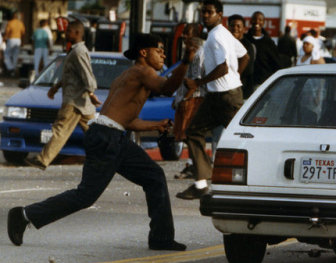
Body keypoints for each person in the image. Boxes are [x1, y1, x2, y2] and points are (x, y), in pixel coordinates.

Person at [7, 32, 198, 250]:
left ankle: (161, 238)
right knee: (86, 196)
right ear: (144, 53)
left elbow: (125, 119)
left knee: (154, 177)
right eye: (159, 50)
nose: (163, 55)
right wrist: (185, 61)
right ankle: (24, 215)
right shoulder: (143, 71)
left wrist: (154, 126)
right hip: (108, 139)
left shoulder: (128, 76)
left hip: (112, 135)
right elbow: (168, 88)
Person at [175, 0, 249, 200]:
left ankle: (252, 183)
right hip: (221, 95)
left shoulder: (216, 37)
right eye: (203, 12)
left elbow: (223, 67)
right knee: (195, 130)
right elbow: (245, 56)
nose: (205, 15)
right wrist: (236, 78)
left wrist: (198, 83)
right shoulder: (223, 33)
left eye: (209, 12)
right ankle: (200, 183)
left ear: (219, 15)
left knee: (244, 139)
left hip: (225, 97)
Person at [24, 21, 100, 170]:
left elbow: (87, 76)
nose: (66, 34)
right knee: (94, 134)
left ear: (78, 33)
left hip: (74, 101)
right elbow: (71, 75)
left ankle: (43, 159)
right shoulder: (74, 51)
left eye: (69, 31)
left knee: (60, 130)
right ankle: (108, 157)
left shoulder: (79, 52)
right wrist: (56, 87)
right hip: (82, 102)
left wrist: (91, 92)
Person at [172, 24, 206, 180]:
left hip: (194, 98)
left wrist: (186, 98)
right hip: (186, 97)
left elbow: (196, 80)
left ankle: (196, 167)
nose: (184, 37)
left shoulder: (199, 54)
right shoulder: (188, 54)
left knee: (190, 134)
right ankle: (193, 165)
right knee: (185, 135)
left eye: (187, 34)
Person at [244, 11, 281, 89]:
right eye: (254, 19)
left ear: (263, 22)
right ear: (251, 21)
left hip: (262, 83)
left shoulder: (269, 42)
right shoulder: (245, 40)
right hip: (246, 83)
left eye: (260, 20)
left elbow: (276, 64)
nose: (257, 22)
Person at [228, 14, 255, 99]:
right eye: (232, 26)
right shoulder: (226, 43)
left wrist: (234, 78)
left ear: (244, 29)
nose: (235, 28)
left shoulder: (248, 46)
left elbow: (248, 69)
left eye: (238, 26)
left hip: (243, 90)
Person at [4, 11, 25, 77]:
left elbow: (7, 32)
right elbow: (23, 33)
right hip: (18, 40)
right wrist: (22, 41)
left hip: (11, 39)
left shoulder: (10, 23)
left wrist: (4, 39)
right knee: (15, 55)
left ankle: (11, 68)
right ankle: (14, 69)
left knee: (6, 54)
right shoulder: (20, 23)